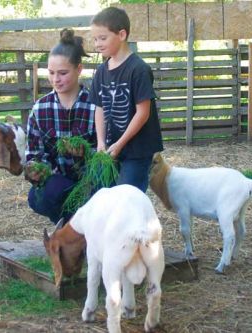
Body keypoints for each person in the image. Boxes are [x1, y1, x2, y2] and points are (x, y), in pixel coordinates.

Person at [24, 28, 96, 224]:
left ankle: (75, 230)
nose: (56, 79)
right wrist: (35, 169)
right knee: (39, 195)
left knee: (101, 193)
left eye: (63, 73)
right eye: (51, 73)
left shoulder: (95, 105)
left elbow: (109, 153)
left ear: (79, 69)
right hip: (59, 182)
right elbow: (34, 153)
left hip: (91, 182)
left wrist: (86, 152)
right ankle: (70, 228)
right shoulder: (40, 108)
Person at [89, 7, 163, 192]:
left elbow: (143, 113)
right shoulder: (101, 71)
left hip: (136, 150)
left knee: (128, 196)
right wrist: (100, 142)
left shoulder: (138, 69)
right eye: (95, 39)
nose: (97, 44)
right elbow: (99, 108)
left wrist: (120, 143)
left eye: (102, 38)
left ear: (121, 34)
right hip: (109, 146)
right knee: (102, 193)